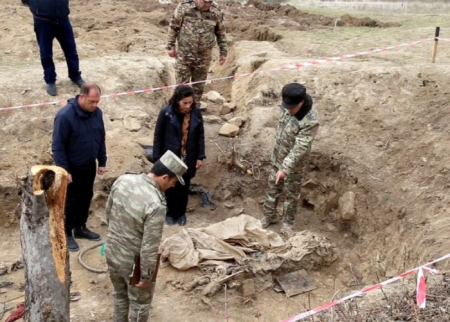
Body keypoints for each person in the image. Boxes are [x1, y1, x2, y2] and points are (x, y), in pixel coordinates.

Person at [105, 150, 188, 322]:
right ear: (164, 177)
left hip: (112, 253)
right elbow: (150, 246)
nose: (173, 186)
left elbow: (108, 214)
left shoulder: (123, 180)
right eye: (173, 181)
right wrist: (146, 276)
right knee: (140, 304)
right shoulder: (155, 204)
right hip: (133, 263)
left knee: (120, 296)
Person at [52, 83, 106, 252]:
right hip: (71, 169)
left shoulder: (97, 114)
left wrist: (102, 160)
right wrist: (64, 170)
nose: (95, 105)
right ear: (81, 97)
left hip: (89, 166)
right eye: (92, 101)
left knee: (85, 197)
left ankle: (80, 227)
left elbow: (100, 137)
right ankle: (66, 232)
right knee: (70, 201)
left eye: (97, 101)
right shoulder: (65, 116)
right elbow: (58, 146)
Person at [261, 83, 320, 232]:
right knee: (272, 188)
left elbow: (301, 146)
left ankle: (287, 223)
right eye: (286, 106)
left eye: (291, 107)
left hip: (295, 165)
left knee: (291, 193)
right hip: (278, 157)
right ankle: (269, 215)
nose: (288, 110)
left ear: (301, 102)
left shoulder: (310, 119)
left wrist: (285, 168)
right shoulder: (289, 106)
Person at [153, 85, 206, 226]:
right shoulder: (166, 113)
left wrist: (200, 156)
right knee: (170, 187)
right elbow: (158, 136)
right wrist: (157, 158)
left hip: (188, 156)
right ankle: (170, 213)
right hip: (170, 156)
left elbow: (200, 135)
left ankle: (181, 214)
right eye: (185, 103)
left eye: (190, 102)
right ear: (177, 101)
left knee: (184, 186)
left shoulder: (196, 113)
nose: (188, 106)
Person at [166, 0, 227, 103]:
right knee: (182, 85)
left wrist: (223, 52)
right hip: (184, 54)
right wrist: (170, 46)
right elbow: (173, 27)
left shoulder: (215, 10)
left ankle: (194, 109)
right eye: (205, 2)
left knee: (199, 86)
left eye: (210, 2)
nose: (208, 5)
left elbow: (220, 32)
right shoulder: (184, 7)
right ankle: (179, 110)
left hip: (204, 56)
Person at [23, 0, 85, 96]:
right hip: (42, 20)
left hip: (63, 18)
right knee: (46, 53)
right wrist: (37, 7)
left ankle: (75, 76)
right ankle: (50, 80)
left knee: (71, 50)